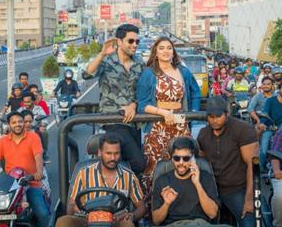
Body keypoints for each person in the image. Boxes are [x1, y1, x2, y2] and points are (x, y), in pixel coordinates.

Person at [136, 37, 201, 192]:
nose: (166, 51)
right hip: (157, 125)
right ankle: (152, 207)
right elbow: (142, 104)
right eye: (161, 48)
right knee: (154, 166)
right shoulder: (148, 73)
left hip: (180, 124)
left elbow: (196, 93)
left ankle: (183, 204)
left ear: (173, 51)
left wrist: (192, 114)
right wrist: (163, 113)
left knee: (183, 163)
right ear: (156, 53)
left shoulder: (183, 71)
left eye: (169, 48)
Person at [83, 24, 145, 175]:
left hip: (134, 123)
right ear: (119, 41)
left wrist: (134, 105)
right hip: (113, 121)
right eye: (131, 41)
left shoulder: (139, 63)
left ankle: (126, 195)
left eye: (137, 41)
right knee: (138, 162)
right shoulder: (106, 61)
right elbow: (86, 74)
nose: (134, 45)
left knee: (132, 167)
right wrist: (102, 54)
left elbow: (143, 92)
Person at [0, 111, 49, 226]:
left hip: (30, 182)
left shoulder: (33, 137)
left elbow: (38, 156)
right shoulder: (3, 140)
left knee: (43, 214)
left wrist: (39, 172)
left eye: (20, 121)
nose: (18, 124)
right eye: (14, 122)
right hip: (9, 185)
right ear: (9, 125)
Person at [56, 134, 145, 227]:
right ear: (99, 152)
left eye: (116, 153)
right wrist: (78, 210)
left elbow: (142, 207)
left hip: (116, 220)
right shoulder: (83, 173)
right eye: (109, 153)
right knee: (63, 222)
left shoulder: (129, 176)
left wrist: (131, 215)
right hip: (87, 219)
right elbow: (71, 205)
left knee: (128, 225)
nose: (113, 158)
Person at [197, 97, 258, 227]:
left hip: (237, 188)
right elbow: (202, 163)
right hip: (213, 189)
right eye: (211, 116)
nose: (214, 120)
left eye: (218, 116)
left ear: (227, 113)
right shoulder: (203, 134)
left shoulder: (243, 129)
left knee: (250, 222)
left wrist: (249, 199)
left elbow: (252, 166)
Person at [152, 137, 224, 226]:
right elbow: (156, 220)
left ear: (193, 159)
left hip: (200, 224)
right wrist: (166, 204)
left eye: (186, 158)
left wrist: (197, 184)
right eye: (177, 158)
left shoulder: (205, 177)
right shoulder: (162, 180)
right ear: (172, 158)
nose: (181, 162)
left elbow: (212, 214)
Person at [257, 80, 282, 168]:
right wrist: (262, 124)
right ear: (279, 89)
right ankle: (260, 169)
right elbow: (264, 113)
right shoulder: (270, 101)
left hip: (281, 127)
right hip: (268, 127)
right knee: (263, 150)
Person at [18, 92, 50, 162]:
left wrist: (42, 125)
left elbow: (45, 120)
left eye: (28, 102)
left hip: (35, 129)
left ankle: (44, 153)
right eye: (24, 102)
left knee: (44, 132)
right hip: (21, 131)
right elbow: (14, 119)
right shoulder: (20, 110)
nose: (26, 104)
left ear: (33, 101)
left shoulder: (39, 109)